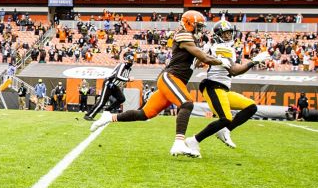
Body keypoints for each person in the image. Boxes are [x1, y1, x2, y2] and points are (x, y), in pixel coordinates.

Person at [91, 10, 229, 157]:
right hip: (170, 77)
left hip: (177, 80)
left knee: (144, 114)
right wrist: (219, 60)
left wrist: (207, 52)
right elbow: (203, 57)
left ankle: (109, 117)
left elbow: (197, 61)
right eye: (198, 26)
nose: (200, 29)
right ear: (189, 24)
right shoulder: (184, 34)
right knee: (187, 104)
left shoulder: (191, 39)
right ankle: (178, 143)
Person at [189, 20, 269, 155]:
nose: (228, 36)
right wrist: (253, 62)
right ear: (218, 35)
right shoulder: (221, 47)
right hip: (213, 86)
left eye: (229, 33)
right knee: (225, 118)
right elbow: (234, 71)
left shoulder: (221, 47)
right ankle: (194, 140)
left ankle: (225, 130)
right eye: (224, 34)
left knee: (251, 107)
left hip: (223, 89)